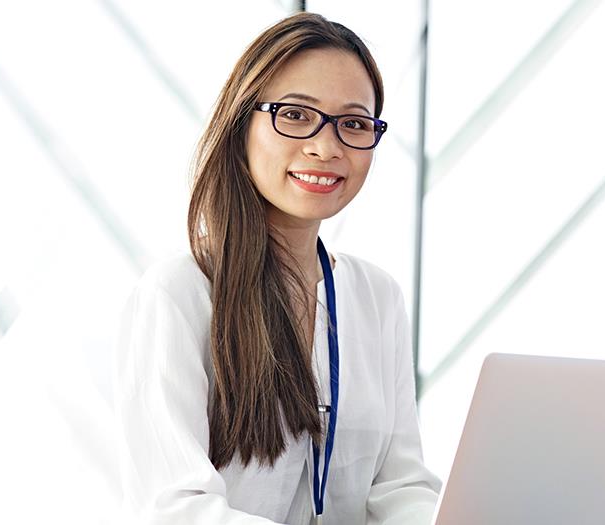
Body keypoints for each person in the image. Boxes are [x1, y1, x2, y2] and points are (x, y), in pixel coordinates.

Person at [115, 13, 442, 525]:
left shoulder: (377, 297)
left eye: (354, 123)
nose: (326, 146)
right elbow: (175, 507)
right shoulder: (180, 293)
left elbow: (399, 484)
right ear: (242, 121)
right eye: (295, 115)